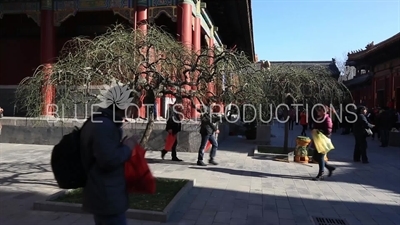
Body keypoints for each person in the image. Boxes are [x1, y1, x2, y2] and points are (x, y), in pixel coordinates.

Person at [80, 87, 139, 225]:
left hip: (104, 192)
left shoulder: (100, 121)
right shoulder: (104, 125)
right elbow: (108, 160)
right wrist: (128, 147)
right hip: (107, 195)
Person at [312, 105, 336, 181]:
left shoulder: (327, 119)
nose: (318, 111)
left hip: (323, 140)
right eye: (318, 110)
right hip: (318, 140)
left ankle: (321, 174)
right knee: (315, 157)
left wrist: (318, 131)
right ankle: (329, 168)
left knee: (321, 156)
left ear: (323, 111)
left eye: (319, 110)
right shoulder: (319, 118)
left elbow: (328, 130)